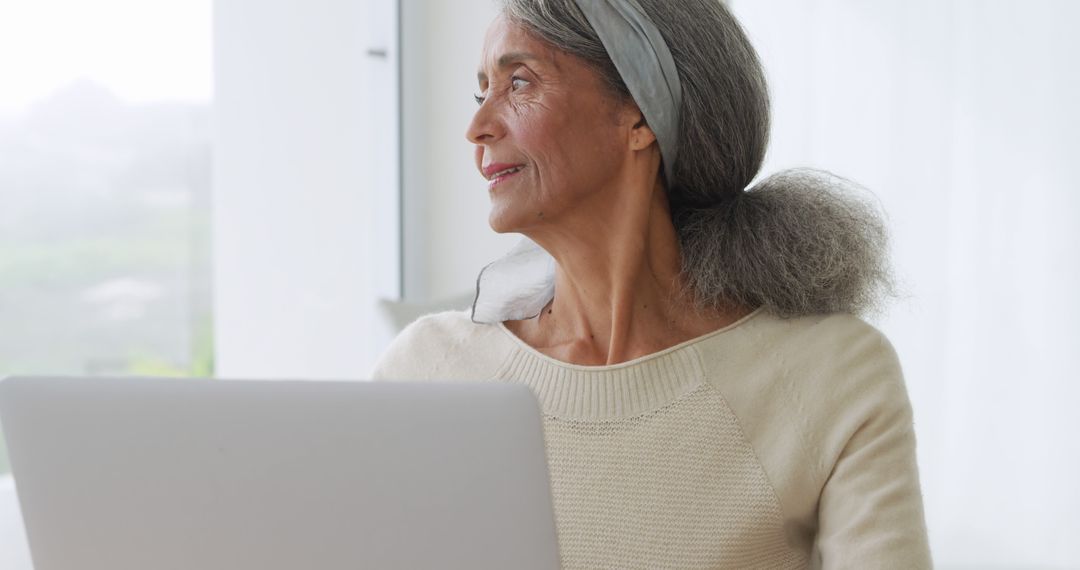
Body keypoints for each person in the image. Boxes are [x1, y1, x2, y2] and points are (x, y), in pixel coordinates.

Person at [371, 0, 932, 567]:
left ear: (639, 115)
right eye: (481, 90)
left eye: (519, 82)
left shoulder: (829, 378)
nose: (477, 127)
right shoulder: (426, 371)